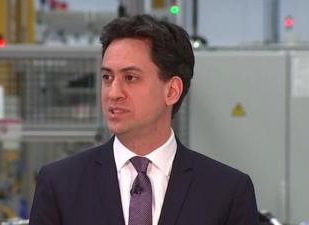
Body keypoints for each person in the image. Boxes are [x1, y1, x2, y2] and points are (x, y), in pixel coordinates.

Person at [29, 14, 259, 225]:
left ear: (172, 91)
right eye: (107, 77)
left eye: (130, 77)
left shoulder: (227, 192)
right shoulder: (59, 184)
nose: (113, 92)